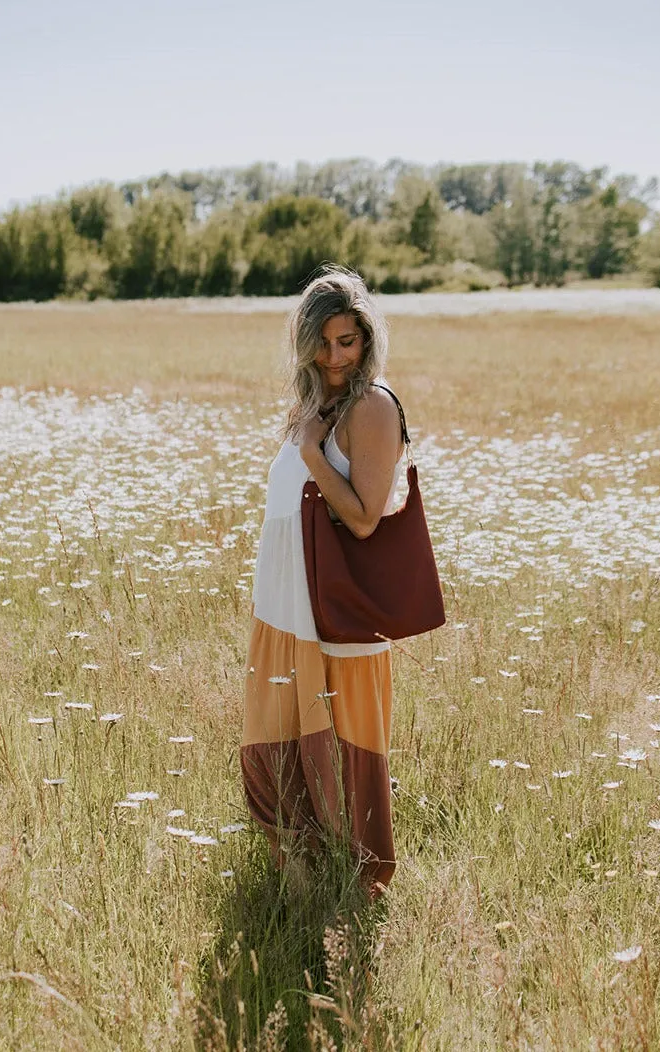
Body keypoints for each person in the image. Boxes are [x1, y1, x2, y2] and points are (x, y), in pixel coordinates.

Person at [240, 266, 406, 897]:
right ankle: (301, 883)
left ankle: (353, 890)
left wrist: (313, 453)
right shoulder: (309, 406)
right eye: (323, 341)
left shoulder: (372, 407)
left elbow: (364, 519)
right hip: (283, 608)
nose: (335, 356)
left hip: (336, 615)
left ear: (367, 341)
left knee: (342, 750)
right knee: (275, 740)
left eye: (349, 341)